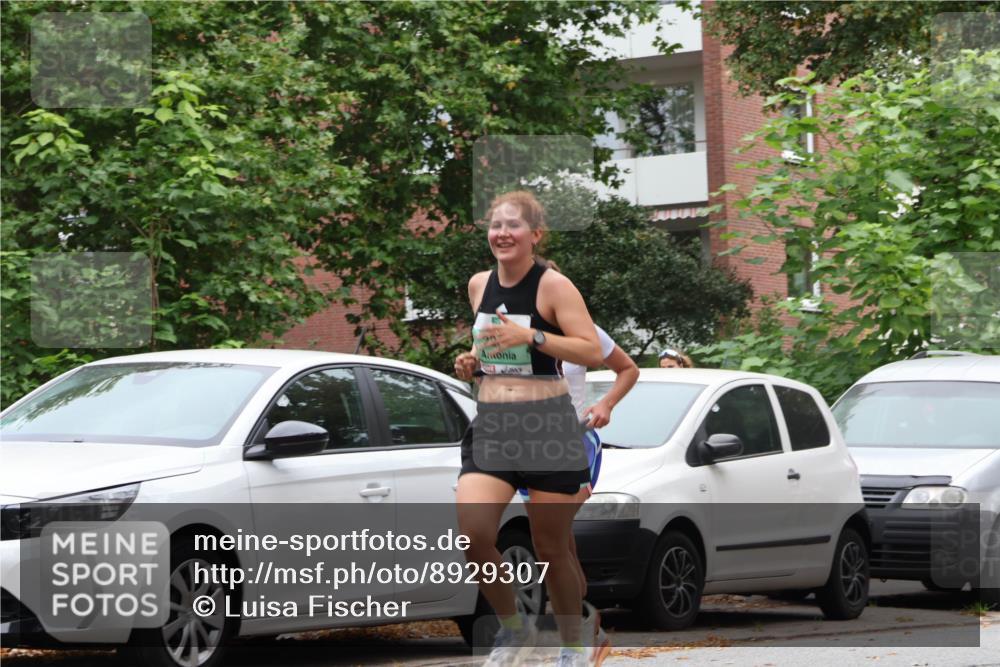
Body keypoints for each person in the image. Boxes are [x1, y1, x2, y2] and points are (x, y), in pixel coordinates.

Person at [454, 191, 604, 667]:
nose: (502, 233)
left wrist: (533, 335)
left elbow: (591, 352)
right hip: (494, 423)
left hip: (547, 427)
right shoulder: (479, 285)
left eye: (513, 225)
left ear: (535, 235)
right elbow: (495, 354)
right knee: (474, 535)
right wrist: (471, 363)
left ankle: (572, 644)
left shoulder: (554, 287)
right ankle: (515, 630)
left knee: (551, 549)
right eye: (495, 224)